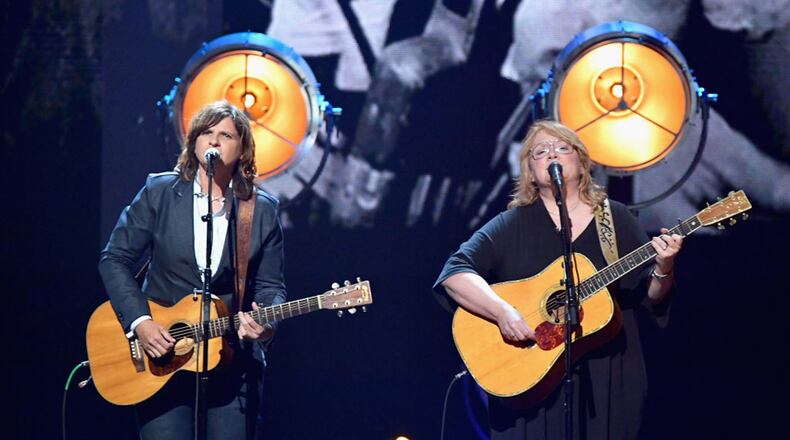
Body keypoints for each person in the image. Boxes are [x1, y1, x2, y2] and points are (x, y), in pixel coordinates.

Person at [434, 120, 683, 439]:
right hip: (531, 379)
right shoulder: (511, 225)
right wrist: (503, 312)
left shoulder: (614, 218)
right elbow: (454, 273)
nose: (552, 153)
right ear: (529, 171)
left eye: (562, 147)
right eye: (540, 151)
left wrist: (664, 266)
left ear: (581, 163)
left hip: (609, 377)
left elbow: (652, 298)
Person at [99, 100, 287, 440]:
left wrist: (267, 322)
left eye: (226, 135)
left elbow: (271, 287)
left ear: (243, 150)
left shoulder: (260, 212)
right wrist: (141, 322)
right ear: (194, 142)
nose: (214, 141)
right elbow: (115, 259)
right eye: (206, 132)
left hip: (232, 364)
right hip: (162, 357)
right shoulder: (160, 192)